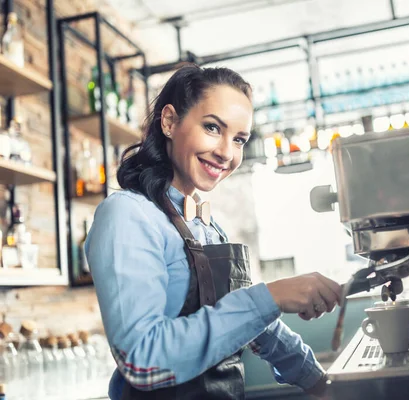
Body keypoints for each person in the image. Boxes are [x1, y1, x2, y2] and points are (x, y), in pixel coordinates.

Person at [85, 65, 343, 399]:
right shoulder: (127, 214)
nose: (226, 152)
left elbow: (258, 327)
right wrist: (271, 296)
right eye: (212, 128)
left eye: (238, 139)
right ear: (169, 122)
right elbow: (142, 359)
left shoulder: (207, 226)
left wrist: (318, 381)